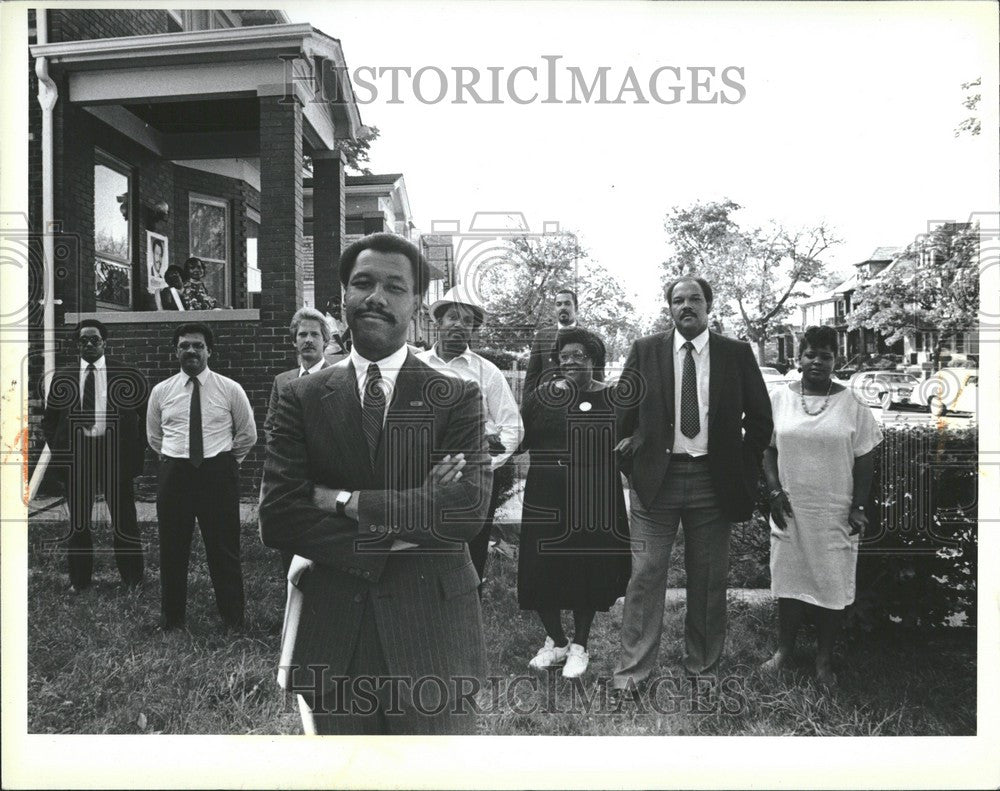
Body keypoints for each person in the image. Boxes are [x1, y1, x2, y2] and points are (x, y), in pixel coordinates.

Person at [259, 232, 492, 735]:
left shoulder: (457, 396)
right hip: (336, 631)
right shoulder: (300, 396)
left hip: (435, 631)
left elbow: (464, 512)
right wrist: (419, 506)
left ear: (416, 304)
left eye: (394, 286)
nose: (377, 297)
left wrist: (343, 500)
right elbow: (279, 515)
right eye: (363, 283)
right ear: (342, 297)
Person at [612, 276, 773, 694]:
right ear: (669, 308)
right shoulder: (645, 350)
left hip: (712, 481)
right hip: (655, 484)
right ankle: (633, 673)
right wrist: (633, 460)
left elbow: (760, 420)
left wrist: (742, 467)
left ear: (708, 306)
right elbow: (622, 416)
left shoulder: (735, 354)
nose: (687, 305)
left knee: (708, 579)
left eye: (695, 299)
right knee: (645, 576)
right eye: (678, 300)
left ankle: (701, 668)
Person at [762, 325, 882, 686]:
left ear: (836, 360)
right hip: (791, 508)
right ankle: (785, 651)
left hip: (835, 510)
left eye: (825, 355)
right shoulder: (779, 398)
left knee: (831, 584)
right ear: (798, 359)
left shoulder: (854, 404)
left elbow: (865, 458)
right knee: (788, 579)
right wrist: (773, 491)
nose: (817, 361)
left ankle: (823, 660)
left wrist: (858, 506)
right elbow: (767, 448)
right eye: (810, 354)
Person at [518, 327, 631, 678]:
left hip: (592, 496)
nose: (568, 362)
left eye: (577, 356)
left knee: (586, 567)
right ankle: (557, 640)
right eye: (563, 357)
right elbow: (521, 438)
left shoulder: (613, 398)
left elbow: (633, 437)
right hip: (545, 493)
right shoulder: (541, 396)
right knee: (541, 567)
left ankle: (580, 646)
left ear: (594, 360)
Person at [146, 322, 257, 630]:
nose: (191, 351)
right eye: (184, 346)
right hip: (176, 474)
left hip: (216, 474)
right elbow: (155, 436)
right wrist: (174, 460)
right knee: (172, 547)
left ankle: (233, 618)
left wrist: (225, 464)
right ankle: (172, 619)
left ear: (210, 350)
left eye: (197, 345)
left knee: (223, 548)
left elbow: (247, 434)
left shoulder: (230, 389)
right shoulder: (161, 392)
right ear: (175, 351)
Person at [417, 285, 524, 592]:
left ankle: (468, 612)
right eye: (452, 317)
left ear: (474, 328)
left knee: (471, 555)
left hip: (471, 483)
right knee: (422, 551)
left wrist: (483, 465)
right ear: (438, 321)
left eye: (467, 320)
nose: (458, 324)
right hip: (423, 478)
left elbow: (512, 427)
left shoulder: (486, 372)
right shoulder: (417, 367)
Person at [41, 319, 147, 592]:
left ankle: (133, 580)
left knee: (124, 522)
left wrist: (137, 451)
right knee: (78, 524)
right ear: (77, 344)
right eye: (83, 340)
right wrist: (61, 450)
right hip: (78, 458)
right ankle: (79, 581)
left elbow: (146, 417)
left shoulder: (126, 374)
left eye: (94, 339)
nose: (89, 344)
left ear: (105, 342)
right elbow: (50, 420)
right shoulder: (63, 376)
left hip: (115, 456)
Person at [264, 306, 332, 575]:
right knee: (291, 549)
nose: (308, 340)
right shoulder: (283, 382)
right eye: (302, 334)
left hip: (327, 478)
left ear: (325, 341)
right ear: (294, 341)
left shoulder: (339, 377)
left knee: (323, 548)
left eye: (314, 334)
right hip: (291, 480)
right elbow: (271, 426)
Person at [523, 289, 590, 395]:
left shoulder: (588, 336)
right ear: (555, 308)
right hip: (547, 401)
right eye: (559, 304)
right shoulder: (542, 336)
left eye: (567, 303)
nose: (563, 307)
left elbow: (596, 377)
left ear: (576, 307)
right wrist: (526, 408)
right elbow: (532, 377)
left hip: (577, 402)